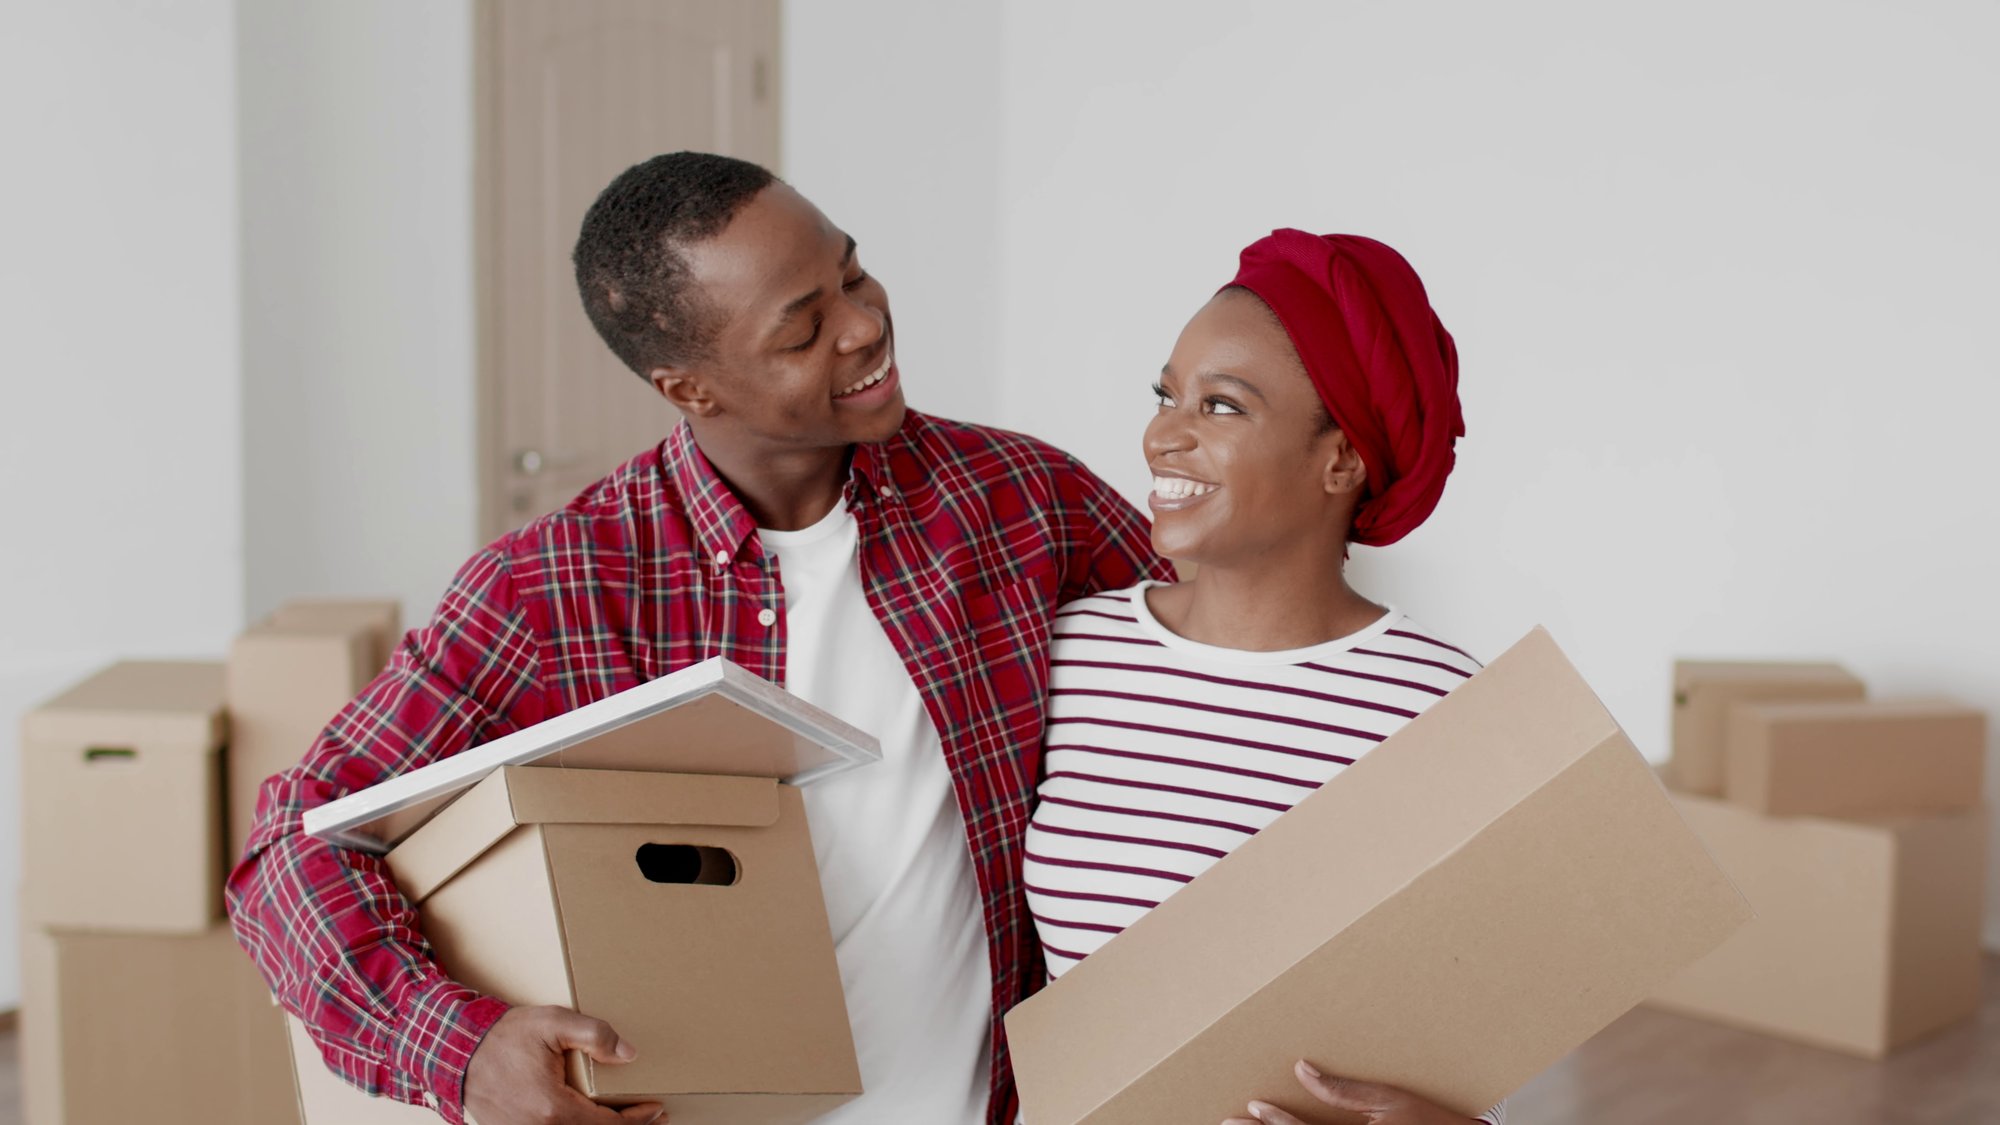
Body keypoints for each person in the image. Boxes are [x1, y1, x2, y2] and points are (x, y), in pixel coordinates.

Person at [226, 152, 1172, 1125]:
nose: (862, 325)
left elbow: (1249, 659)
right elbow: (286, 853)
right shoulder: (555, 589)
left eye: (851, 274)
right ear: (691, 389)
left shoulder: (1020, 502)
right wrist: (459, 1052)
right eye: (802, 329)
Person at [1021, 229, 1506, 1124]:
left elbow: (1472, 1034)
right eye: (1167, 394)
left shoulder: (1444, 707)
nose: (1163, 435)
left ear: (1343, 459)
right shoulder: (1066, 655)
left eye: (1223, 407)